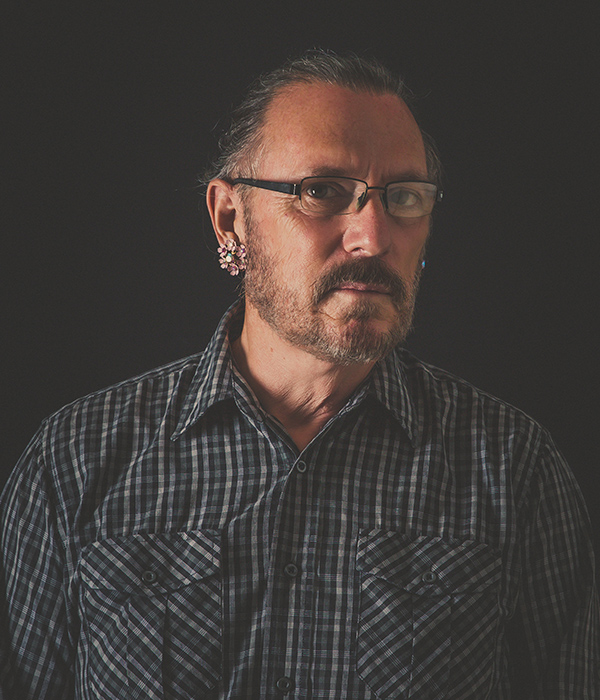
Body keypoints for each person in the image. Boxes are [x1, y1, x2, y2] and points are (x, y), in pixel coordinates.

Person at [0, 50, 598, 700]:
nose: (372, 236)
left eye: (403, 197)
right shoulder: (74, 460)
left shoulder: (515, 469)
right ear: (230, 218)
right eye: (320, 191)